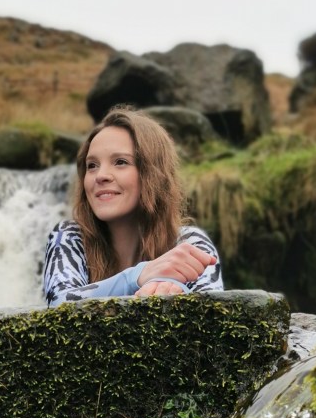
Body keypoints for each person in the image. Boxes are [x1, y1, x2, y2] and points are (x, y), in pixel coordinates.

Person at [43, 106, 223, 306]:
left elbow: (214, 312)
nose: (100, 175)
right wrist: (138, 276)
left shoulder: (189, 244)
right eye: (92, 165)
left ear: (153, 174)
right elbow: (59, 304)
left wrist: (173, 286)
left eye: (120, 162)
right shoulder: (69, 236)